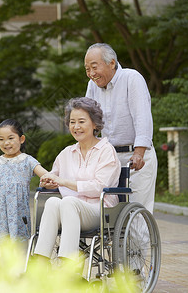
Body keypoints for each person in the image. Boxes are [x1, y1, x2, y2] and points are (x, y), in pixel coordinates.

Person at [34, 97, 121, 262]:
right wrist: (49, 182)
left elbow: (99, 187)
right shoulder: (67, 153)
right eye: (72, 122)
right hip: (70, 211)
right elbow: (54, 177)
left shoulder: (106, 151)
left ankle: (68, 265)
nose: (76, 126)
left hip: (99, 211)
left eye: (81, 121)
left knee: (68, 202)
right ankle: (40, 262)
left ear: (95, 124)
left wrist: (63, 182)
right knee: (53, 201)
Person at [84, 43, 157, 214]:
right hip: (110, 158)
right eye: (87, 69)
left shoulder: (132, 78)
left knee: (137, 213)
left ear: (111, 63)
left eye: (94, 67)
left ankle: (140, 242)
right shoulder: (92, 85)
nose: (91, 73)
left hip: (137, 157)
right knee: (111, 213)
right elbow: (89, 122)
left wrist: (139, 153)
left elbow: (142, 118)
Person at [0, 119, 49, 245]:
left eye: (10, 138)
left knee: (21, 246)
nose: (6, 143)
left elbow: (46, 175)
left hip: (19, 215)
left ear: (21, 139)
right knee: (3, 247)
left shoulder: (27, 161)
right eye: (1, 139)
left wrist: (49, 181)